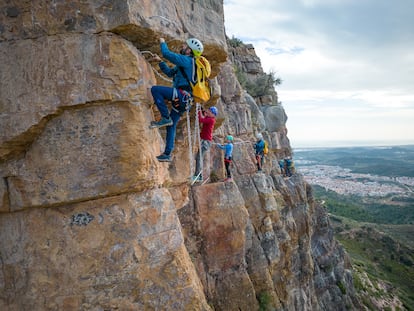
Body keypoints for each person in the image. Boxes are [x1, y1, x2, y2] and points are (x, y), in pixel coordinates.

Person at [149, 37, 204, 162]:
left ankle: (165, 117)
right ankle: (167, 154)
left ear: (189, 51)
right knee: (171, 125)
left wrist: (162, 42)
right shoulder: (184, 64)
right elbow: (169, 73)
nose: (182, 47)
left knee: (155, 90)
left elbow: (166, 53)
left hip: (182, 96)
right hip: (184, 100)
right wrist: (160, 62)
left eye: (185, 46)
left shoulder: (187, 61)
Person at [192, 106, 217, 181]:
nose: (208, 112)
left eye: (209, 111)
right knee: (198, 157)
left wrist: (199, 111)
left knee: (199, 157)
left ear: (213, 114)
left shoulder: (211, 120)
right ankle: (198, 175)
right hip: (205, 141)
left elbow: (201, 119)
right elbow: (204, 117)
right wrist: (202, 111)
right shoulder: (209, 118)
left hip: (206, 141)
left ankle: (198, 175)